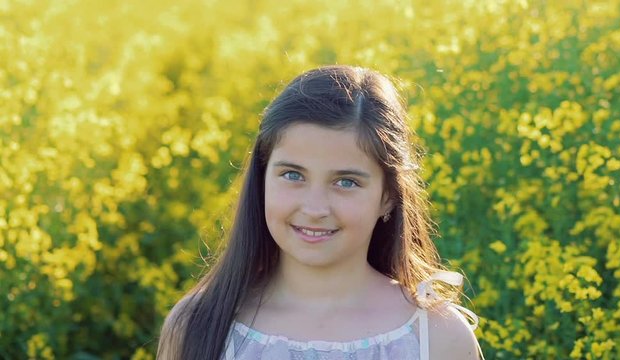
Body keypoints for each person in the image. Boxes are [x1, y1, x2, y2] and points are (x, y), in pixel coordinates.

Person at [157, 65, 483, 359]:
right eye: (293, 175)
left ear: (387, 196)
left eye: (346, 182)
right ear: (262, 178)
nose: (314, 209)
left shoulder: (436, 338)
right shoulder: (198, 327)